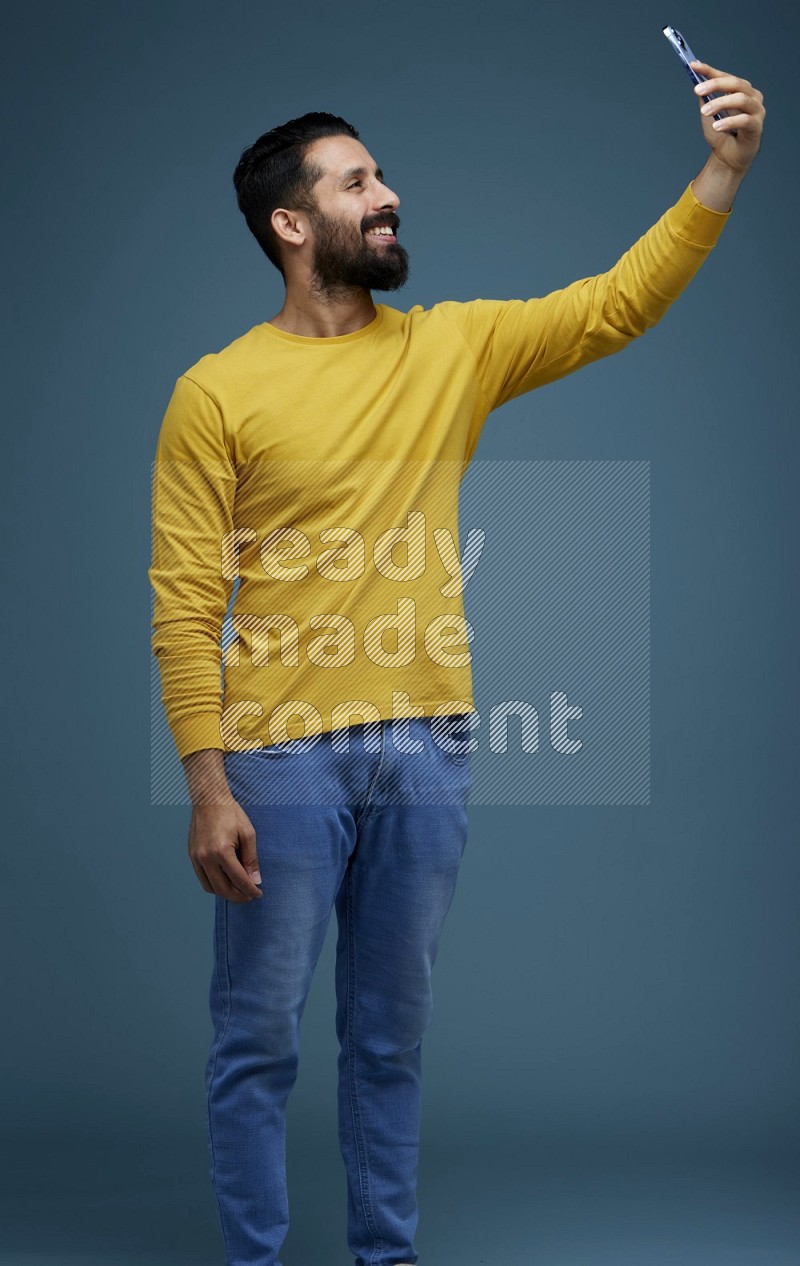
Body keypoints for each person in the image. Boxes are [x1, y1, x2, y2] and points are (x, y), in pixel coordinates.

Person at [148, 61, 764, 1266]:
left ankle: (388, 1256)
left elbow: (615, 304)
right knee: (258, 1039)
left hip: (425, 750)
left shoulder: (452, 350)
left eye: (382, 177)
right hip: (277, 763)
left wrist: (720, 171)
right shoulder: (214, 393)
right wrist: (207, 783)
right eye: (357, 182)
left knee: (389, 1039)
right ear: (290, 223)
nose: (388, 197)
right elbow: (182, 606)